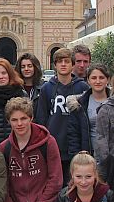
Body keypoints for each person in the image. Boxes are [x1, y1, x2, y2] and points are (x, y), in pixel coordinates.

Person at [35, 48, 90, 179]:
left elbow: (86, 119)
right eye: (60, 62)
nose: (63, 64)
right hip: (54, 145)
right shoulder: (46, 89)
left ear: (72, 64)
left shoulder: (83, 87)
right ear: (55, 65)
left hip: (75, 146)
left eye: (67, 61)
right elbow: (41, 119)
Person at [0, 58, 27, 147]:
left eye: (4, 73)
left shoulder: (20, 93)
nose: (1, 77)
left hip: (18, 144)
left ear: (9, 74)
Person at [80, 63, 111, 157]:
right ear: (88, 80)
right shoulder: (81, 104)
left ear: (108, 79)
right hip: (90, 154)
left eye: (101, 78)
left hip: (113, 154)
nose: (98, 81)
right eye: (94, 78)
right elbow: (75, 133)